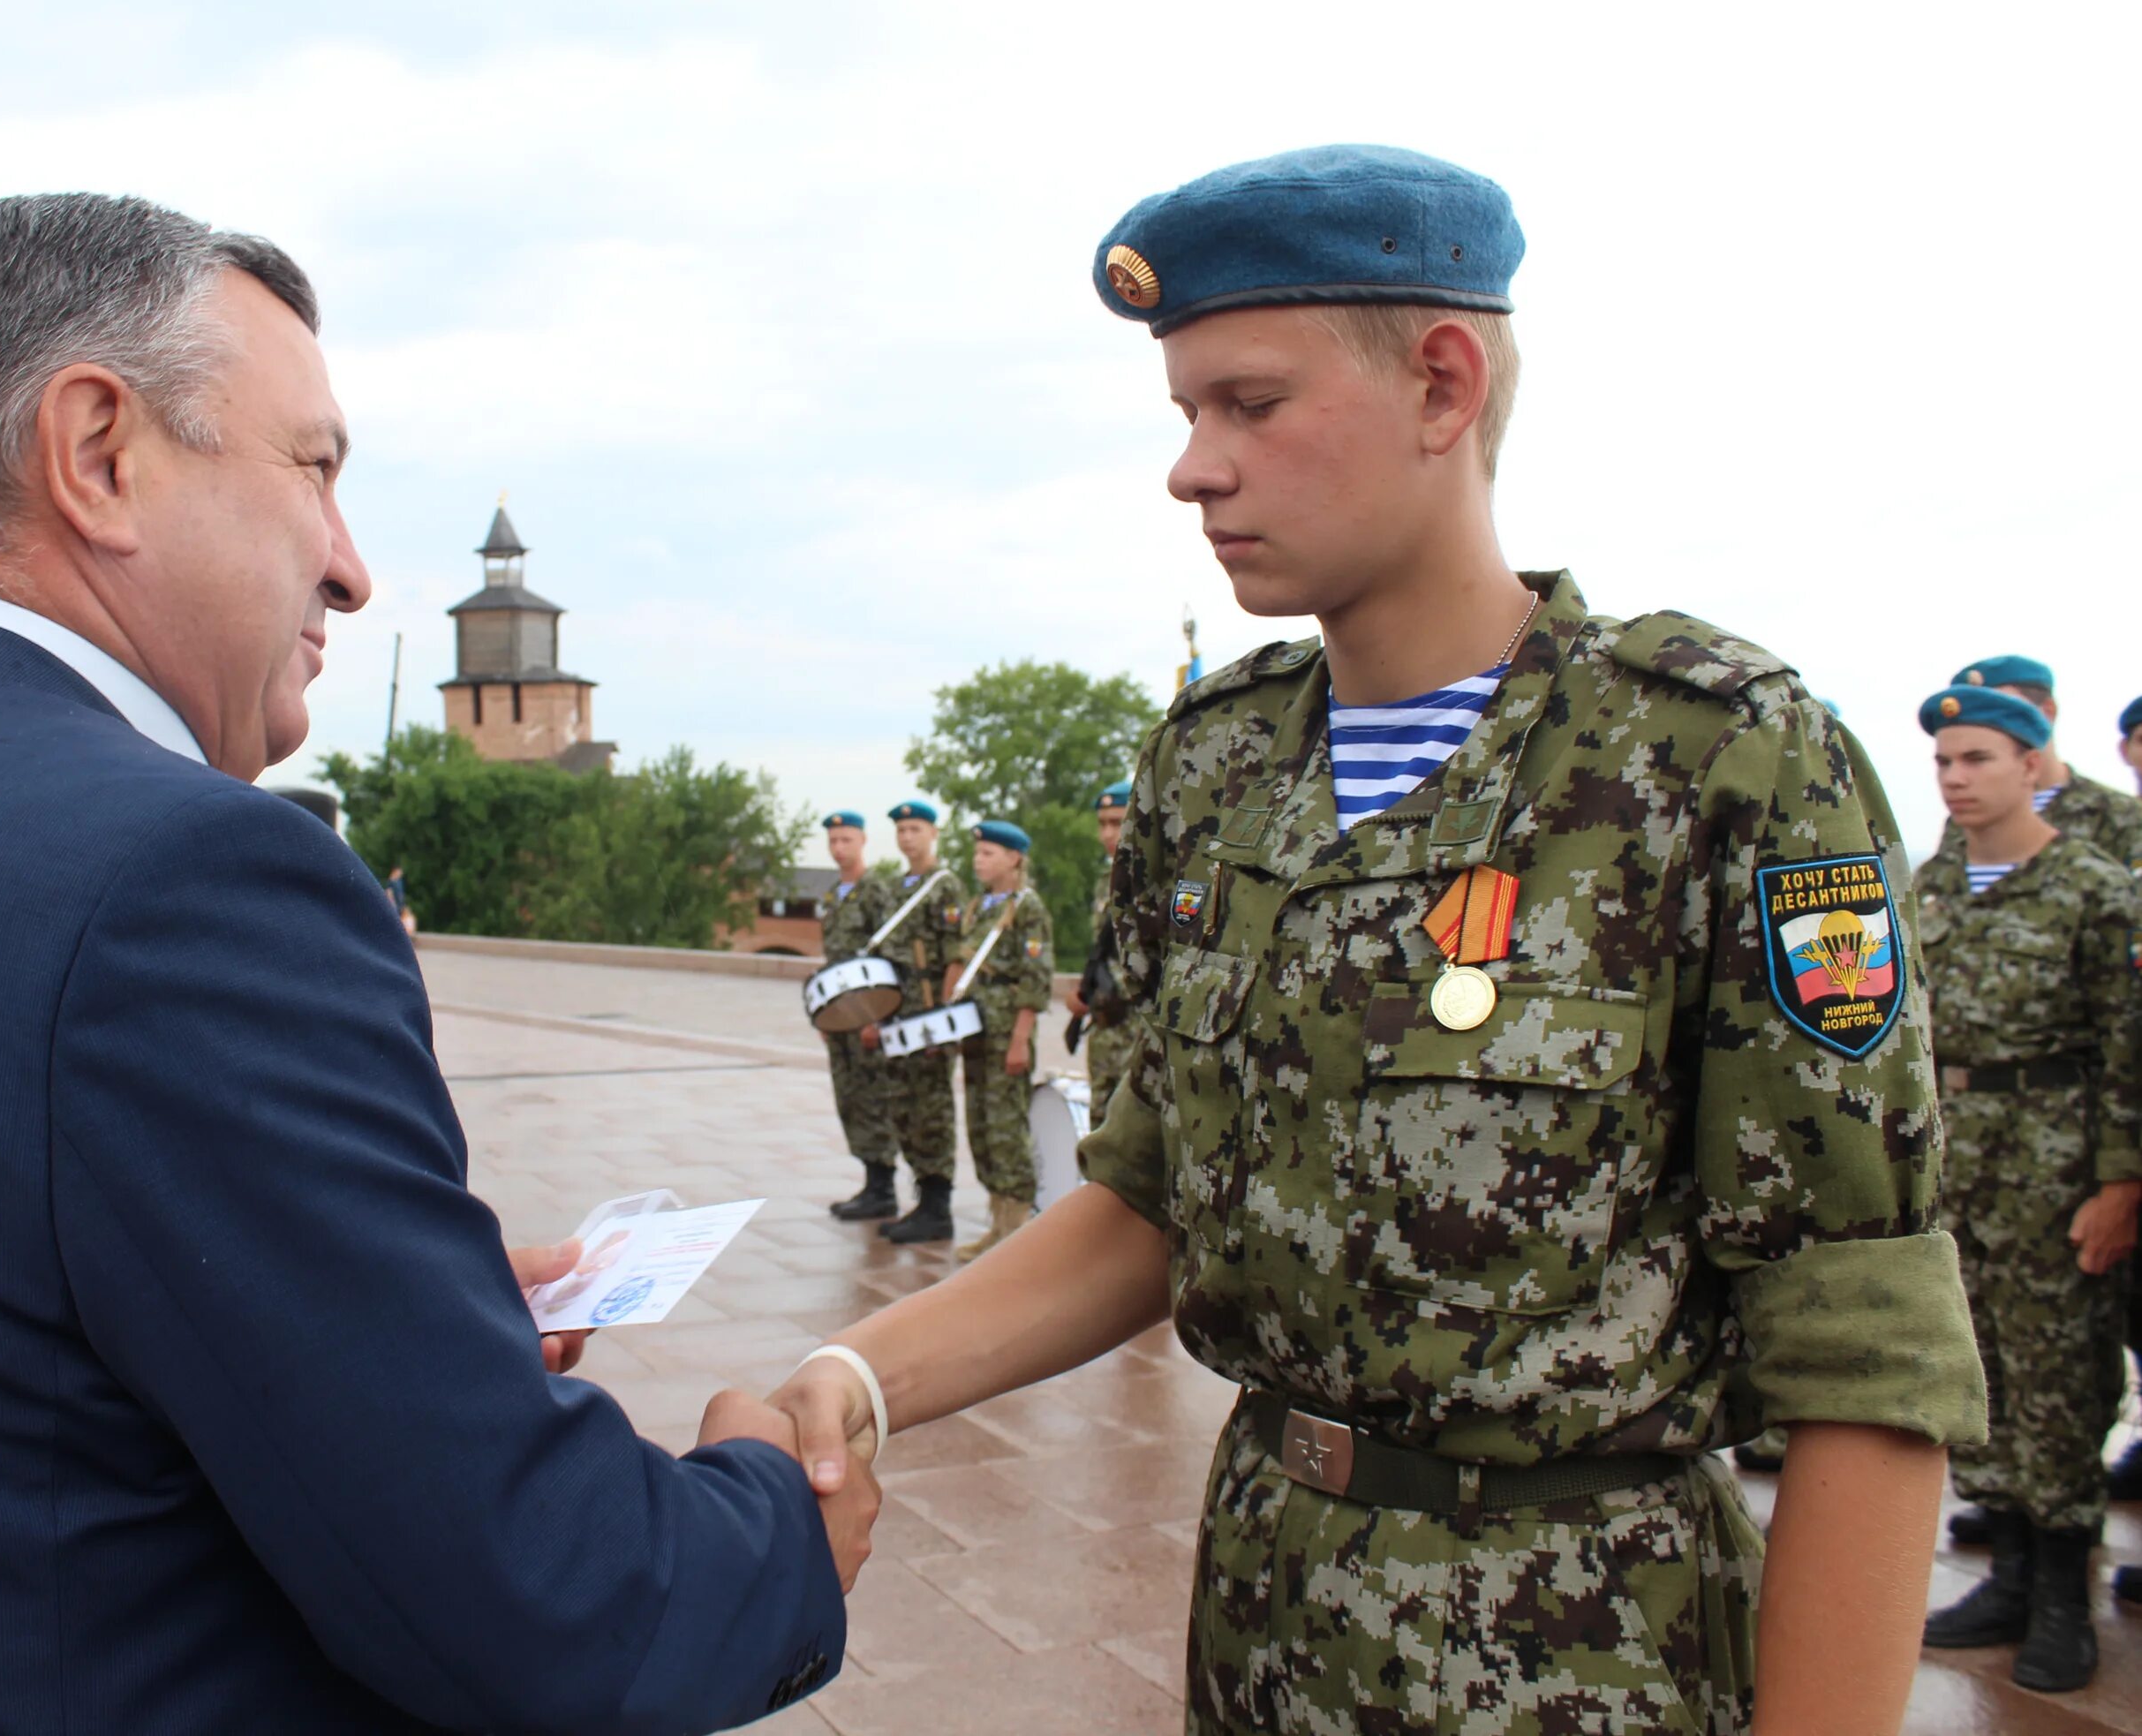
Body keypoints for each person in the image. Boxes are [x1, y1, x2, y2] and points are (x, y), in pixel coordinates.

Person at [0, 193, 870, 1733]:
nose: (351, 570)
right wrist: (774, 1510)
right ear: (101, 453)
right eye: (314, 471)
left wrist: (381, 1307)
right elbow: (540, 1603)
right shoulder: (184, 880)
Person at [761, 145, 1987, 1735]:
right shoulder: (1214, 764)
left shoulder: (1713, 759)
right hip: (1266, 1623)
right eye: (1185, 414)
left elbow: (1859, 1333)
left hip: (1581, 1656)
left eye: (1248, 405)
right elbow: (1149, 1197)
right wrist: (862, 1381)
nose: (1193, 469)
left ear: (1444, 384)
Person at [1911, 685, 2138, 1694]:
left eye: (1979, 759)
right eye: (1946, 762)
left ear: (2035, 763)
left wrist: (2122, 1180)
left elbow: (2129, 1052)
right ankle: (2004, 1568)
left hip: (2055, 1154)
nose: (1957, 778)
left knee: (2064, 1370)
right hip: (1958, 1160)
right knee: (1982, 1367)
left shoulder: (2097, 887)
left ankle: (2060, 1590)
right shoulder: (1932, 886)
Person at [942, 821, 1051, 1264]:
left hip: (1007, 1035)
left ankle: (1015, 1230)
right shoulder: (978, 908)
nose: (979, 860)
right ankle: (997, 1223)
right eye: (977, 853)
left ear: (1014, 858)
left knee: (1007, 1131)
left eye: (988, 853)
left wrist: (1020, 1041)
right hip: (975, 1036)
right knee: (982, 1128)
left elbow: (1035, 979)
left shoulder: (1026, 907)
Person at [1932, 656, 2142, 877]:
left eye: (2004, 712)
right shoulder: (1963, 823)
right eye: (1972, 718)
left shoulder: (2120, 815)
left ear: (2048, 711)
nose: (1985, 728)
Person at [873, 801, 962, 1245]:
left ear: (933, 833)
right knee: (904, 1107)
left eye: (915, 828)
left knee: (932, 1110)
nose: (907, 837)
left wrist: (942, 1016)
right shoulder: (894, 888)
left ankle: (937, 1206)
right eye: (901, 830)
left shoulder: (944, 887)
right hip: (895, 1008)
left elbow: (954, 955)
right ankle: (921, 1201)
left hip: (927, 1010)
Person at [812, 811, 902, 1222]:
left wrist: (876, 1018)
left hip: (868, 1014)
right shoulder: (833, 895)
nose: (838, 848)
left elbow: (888, 958)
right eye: (833, 841)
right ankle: (870, 1180)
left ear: (862, 841)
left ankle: (883, 1187)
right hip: (840, 1016)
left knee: (873, 1097)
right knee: (849, 1097)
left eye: (846, 840)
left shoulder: (875, 892)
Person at [1067, 778, 1147, 1130]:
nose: (1107, 833)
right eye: (1102, 823)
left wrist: (1111, 988)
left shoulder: (1155, 877)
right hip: (1106, 1032)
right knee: (1100, 1127)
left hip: (1139, 1032)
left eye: (1117, 822)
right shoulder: (1106, 880)